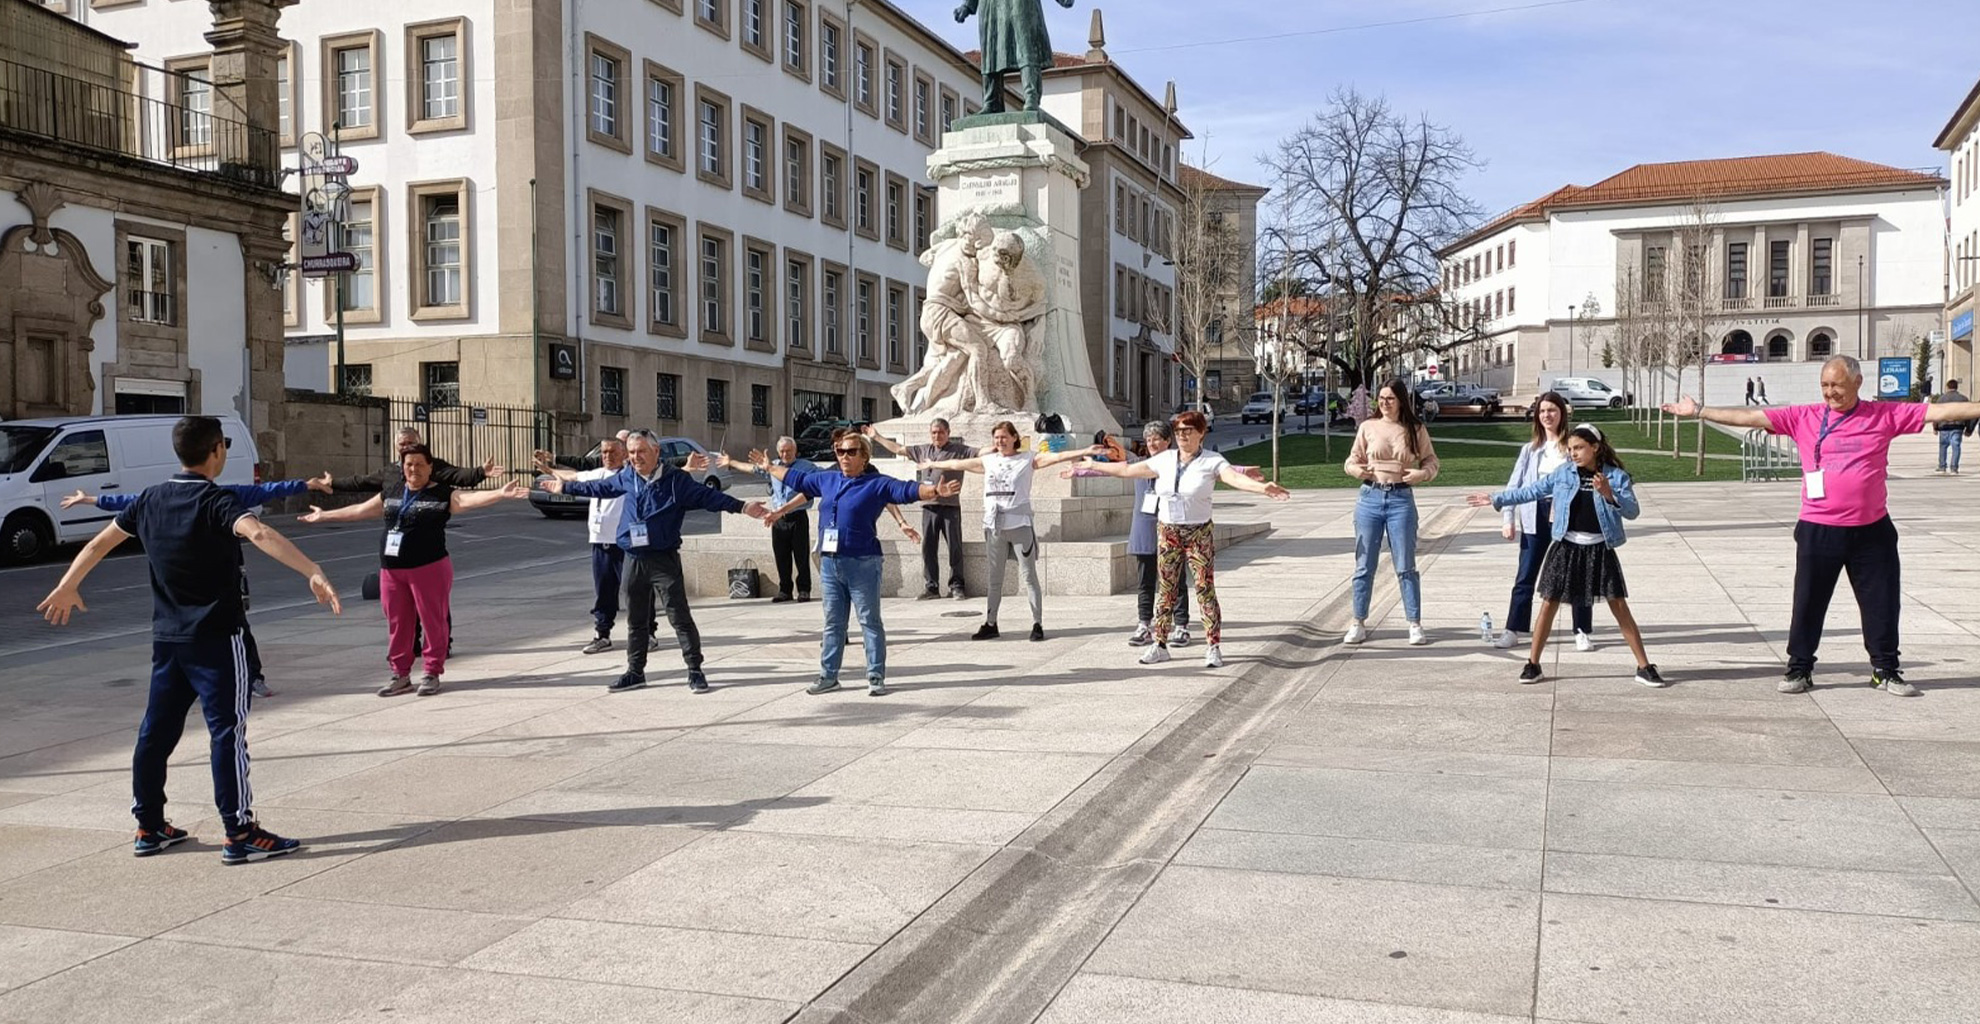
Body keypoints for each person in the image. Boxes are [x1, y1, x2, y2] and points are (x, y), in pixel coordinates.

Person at [37, 415, 340, 865]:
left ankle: (150, 826)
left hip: (168, 640)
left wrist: (68, 583)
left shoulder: (150, 499)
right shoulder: (216, 501)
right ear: (217, 450)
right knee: (227, 732)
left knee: (155, 733)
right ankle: (239, 832)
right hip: (218, 638)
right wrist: (312, 570)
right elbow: (258, 532)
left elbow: (99, 544)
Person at [1664, 355, 1980, 696]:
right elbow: (1749, 416)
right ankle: (1799, 668)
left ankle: (1886, 670)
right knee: (1809, 601)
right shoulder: (1804, 416)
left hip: (1872, 530)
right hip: (1819, 528)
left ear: (1858, 383)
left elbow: (1941, 412)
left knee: (1882, 602)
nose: (1830, 393)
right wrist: (1699, 411)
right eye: (1825, 385)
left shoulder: (1883, 414)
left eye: (1837, 386)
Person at [62, 475, 335, 698]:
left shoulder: (223, 497)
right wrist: (91, 500)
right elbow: (125, 503)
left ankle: (252, 678)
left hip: (224, 585)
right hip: (185, 595)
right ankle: (201, 683)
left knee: (238, 629)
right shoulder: (158, 499)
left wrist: (306, 485)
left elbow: (266, 493)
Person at [543, 431, 769, 693]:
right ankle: (635, 672)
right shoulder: (627, 476)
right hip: (633, 558)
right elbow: (600, 488)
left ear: (656, 452)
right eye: (631, 453)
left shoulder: (676, 481)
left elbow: (710, 498)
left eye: (641, 452)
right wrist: (565, 487)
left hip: (663, 560)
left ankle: (695, 670)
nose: (635, 457)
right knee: (636, 620)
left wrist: (742, 507)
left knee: (679, 617)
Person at [299, 446, 529, 696]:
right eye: (409, 464)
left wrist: (499, 493)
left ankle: (431, 671)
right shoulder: (393, 491)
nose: (414, 469)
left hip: (429, 568)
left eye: (420, 464)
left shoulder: (441, 493)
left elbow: (465, 500)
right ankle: (400, 674)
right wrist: (324, 516)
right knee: (398, 623)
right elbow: (359, 510)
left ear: (431, 467)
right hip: (392, 571)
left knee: (433, 621)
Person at [1075, 410, 1291, 669]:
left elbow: (1234, 478)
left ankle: (1213, 646)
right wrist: (1093, 465)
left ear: (1201, 433)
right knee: (1165, 590)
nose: (1182, 436)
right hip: (1168, 532)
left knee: (1204, 588)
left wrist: (1262, 488)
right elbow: (1127, 469)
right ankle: (1160, 644)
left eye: (1188, 431)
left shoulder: (1212, 461)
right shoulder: (1164, 459)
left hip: (1198, 532)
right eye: (1178, 431)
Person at [750, 433, 960, 695]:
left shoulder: (875, 484)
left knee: (869, 621)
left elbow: (904, 490)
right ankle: (828, 676)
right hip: (830, 563)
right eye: (840, 452)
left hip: (863, 563)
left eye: (851, 452)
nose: (844, 457)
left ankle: (875, 676)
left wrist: (934, 491)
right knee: (833, 623)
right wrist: (769, 467)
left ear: (864, 457)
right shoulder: (828, 479)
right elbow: (799, 480)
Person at [1469, 424, 1664, 687]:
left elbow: (1632, 511)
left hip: (1600, 550)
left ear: (1595, 447)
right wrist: (1497, 498)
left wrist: (1609, 494)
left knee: (1619, 606)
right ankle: (1533, 664)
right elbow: (1531, 491)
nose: (1573, 453)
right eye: (1570, 449)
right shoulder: (1563, 474)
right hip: (1567, 548)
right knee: (1548, 604)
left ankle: (1644, 667)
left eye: (1579, 448)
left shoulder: (1616, 477)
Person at [917, 420, 1099, 642]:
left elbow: (1057, 457)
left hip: (1019, 525)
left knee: (1029, 576)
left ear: (1015, 438)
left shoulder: (1028, 458)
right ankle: (991, 623)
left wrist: (1086, 450)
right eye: (996, 438)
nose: (1000, 441)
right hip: (994, 526)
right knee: (995, 579)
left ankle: (1037, 623)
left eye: (1004, 437)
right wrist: (934, 463)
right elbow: (959, 464)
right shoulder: (989, 460)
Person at [1493, 392, 1596, 652]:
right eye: (1542, 411)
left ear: (1562, 413)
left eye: (1552, 410)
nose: (1547, 415)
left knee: (1576, 574)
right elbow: (1515, 486)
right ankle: (1513, 628)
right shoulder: (1530, 450)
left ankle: (1582, 630)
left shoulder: (1572, 447)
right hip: (1534, 515)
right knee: (1525, 574)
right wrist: (1508, 517)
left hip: (1566, 515)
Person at [1343, 379, 1442, 646]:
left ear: (1401, 401)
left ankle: (1414, 623)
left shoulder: (1414, 428)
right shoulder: (1368, 427)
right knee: (1364, 565)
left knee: (1405, 565)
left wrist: (1422, 474)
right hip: (1370, 498)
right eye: (1381, 398)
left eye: (1390, 398)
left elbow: (1432, 461)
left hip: (1401, 499)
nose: (1385, 403)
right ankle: (1358, 621)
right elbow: (1351, 460)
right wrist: (1355, 470)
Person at [534, 437, 631, 652]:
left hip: (626, 541)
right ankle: (602, 634)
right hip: (600, 540)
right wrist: (548, 470)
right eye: (604, 452)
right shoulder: (597, 474)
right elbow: (573, 477)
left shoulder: (630, 476)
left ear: (624, 454)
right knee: (604, 589)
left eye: (613, 452)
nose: (607, 456)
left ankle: (647, 632)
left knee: (635, 589)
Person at [865, 420, 974, 599]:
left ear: (948, 432)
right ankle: (931, 587)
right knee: (928, 548)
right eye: (933, 433)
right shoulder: (923, 450)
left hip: (950, 507)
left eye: (940, 432)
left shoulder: (959, 450)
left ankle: (957, 585)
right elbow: (899, 449)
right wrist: (876, 437)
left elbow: (979, 454)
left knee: (955, 547)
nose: (936, 436)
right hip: (928, 506)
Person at [722, 437, 819, 602]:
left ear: (795, 451)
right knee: (781, 556)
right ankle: (785, 590)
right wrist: (731, 462)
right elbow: (751, 468)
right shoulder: (773, 465)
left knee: (801, 556)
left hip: (797, 516)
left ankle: (804, 590)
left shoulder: (807, 467)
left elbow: (815, 486)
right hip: (777, 518)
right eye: (782, 451)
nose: (785, 454)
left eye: (788, 450)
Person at [1126, 421, 1192, 647]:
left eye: (1157, 438)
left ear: (1167, 441)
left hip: (1172, 527)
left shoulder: (1180, 466)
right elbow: (1112, 466)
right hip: (1144, 528)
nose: (1152, 443)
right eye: (1149, 439)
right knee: (1145, 581)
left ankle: (1181, 625)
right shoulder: (1138, 465)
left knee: (1176, 580)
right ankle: (1145, 624)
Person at [1933, 380, 1972, 475]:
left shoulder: (1941, 399)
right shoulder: (1963, 399)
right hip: (1958, 426)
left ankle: (1942, 466)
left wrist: (1935, 427)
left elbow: (1936, 414)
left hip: (1944, 426)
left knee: (1943, 446)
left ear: (1947, 387)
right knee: (1956, 446)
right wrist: (1968, 428)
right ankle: (1954, 468)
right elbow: (1968, 414)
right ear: (1957, 387)